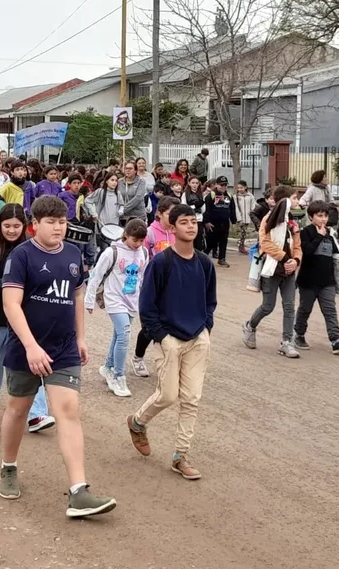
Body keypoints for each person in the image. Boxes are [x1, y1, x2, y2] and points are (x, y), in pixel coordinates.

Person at [0, 195, 115, 517]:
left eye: (62, 222)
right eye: (51, 222)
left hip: (63, 349)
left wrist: (81, 338)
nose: (58, 228)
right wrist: (31, 346)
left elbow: (77, 295)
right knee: (18, 410)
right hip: (26, 348)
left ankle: (79, 491)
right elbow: (10, 304)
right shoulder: (21, 256)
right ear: (35, 224)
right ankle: (8, 466)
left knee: (68, 411)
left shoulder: (73, 254)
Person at [127, 204, 216, 481]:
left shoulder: (204, 263)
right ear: (172, 227)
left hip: (198, 338)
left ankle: (180, 456)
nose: (190, 226)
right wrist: (162, 337)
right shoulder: (161, 263)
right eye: (184, 222)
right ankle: (137, 422)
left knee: (191, 399)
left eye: (193, 222)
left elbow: (210, 301)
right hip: (169, 340)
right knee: (167, 395)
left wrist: (206, 329)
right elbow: (147, 305)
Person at [0, 203, 54, 430]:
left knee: (30, 362)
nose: (12, 230)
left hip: (23, 318)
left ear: (24, 226)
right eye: (7, 225)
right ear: (0, 225)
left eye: (16, 226)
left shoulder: (33, 248)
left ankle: (36, 413)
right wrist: (6, 285)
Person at [86, 218, 149, 397]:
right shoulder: (111, 252)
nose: (138, 244)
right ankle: (118, 376)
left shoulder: (144, 252)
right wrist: (89, 300)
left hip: (132, 300)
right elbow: (96, 275)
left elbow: (142, 278)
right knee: (124, 335)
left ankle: (108, 366)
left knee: (118, 335)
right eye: (134, 240)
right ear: (125, 235)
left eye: (141, 240)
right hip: (114, 299)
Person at [242, 186, 303, 358]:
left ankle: (287, 342)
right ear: (285, 200)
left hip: (289, 271)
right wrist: (285, 258)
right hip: (271, 270)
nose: (298, 201)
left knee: (289, 306)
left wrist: (296, 260)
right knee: (268, 306)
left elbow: (297, 246)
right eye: (294, 197)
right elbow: (266, 244)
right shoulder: (268, 219)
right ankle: (250, 326)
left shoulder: (292, 222)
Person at [293, 201, 339, 354]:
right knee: (305, 309)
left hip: (327, 281)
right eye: (319, 216)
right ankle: (299, 334)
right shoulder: (305, 232)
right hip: (308, 281)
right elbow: (307, 251)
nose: (323, 219)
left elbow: (335, 255)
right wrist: (319, 237)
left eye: (325, 216)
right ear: (311, 217)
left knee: (330, 310)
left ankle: (336, 340)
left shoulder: (330, 233)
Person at [203, 177, 236, 266]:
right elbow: (206, 209)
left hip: (225, 223)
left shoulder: (229, 196)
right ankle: (203, 257)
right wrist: (206, 222)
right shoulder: (211, 196)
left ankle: (222, 259)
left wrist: (233, 221)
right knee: (211, 242)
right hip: (213, 223)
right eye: (221, 185)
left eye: (225, 185)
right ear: (216, 185)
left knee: (223, 241)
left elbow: (232, 209)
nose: (223, 187)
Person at [180, 176, 206, 251]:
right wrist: (194, 206)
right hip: (189, 219)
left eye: (197, 183)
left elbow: (203, 209)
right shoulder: (185, 194)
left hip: (198, 219)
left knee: (198, 240)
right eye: (193, 183)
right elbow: (184, 208)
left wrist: (200, 205)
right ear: (189, 183)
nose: (195, 185)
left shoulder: (201, 194)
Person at [233, 180, 256, 255]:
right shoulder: (236, 197)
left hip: (247, 218)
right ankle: (241, 246)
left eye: (241, 187)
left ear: (245, 187)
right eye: (238, 188)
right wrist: (239, 219)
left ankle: (241, 245)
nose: (239, 189)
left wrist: (252, 216)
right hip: (240, 218)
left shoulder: (250, 196)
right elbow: (236, 208)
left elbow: (253, 206)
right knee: (242, 232)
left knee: (244, 233)